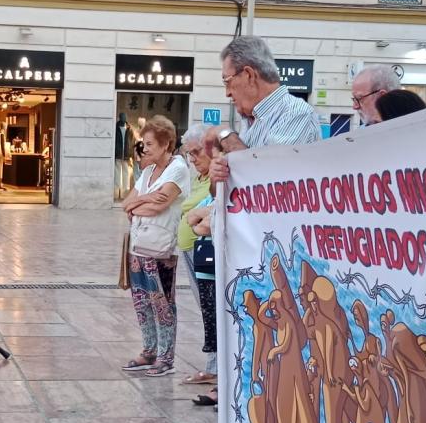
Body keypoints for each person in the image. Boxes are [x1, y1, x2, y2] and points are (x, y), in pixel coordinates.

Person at [120, 115, 192, 378]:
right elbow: (126, 203)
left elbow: (161, 203)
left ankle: (166, 356)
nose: (145, 148)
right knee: (142, 301)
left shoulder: (178, 168)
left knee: (163, 301)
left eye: (150, 143)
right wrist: (140, 202)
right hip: (139, 244)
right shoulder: (149, 171)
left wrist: (140, 204)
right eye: (144, 143)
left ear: (165, 144)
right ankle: (149, 349)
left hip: (162, 247)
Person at [209, 36, 323, 183]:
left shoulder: (296, 113)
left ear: (249, 75)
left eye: (227, 81)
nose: (227, 93)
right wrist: (217, 176)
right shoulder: (250, 119)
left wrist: (225, 134)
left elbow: (266, 182)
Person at [176, 124, 217, 386]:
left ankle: (215, 368)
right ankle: (213, 365)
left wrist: (193, 217)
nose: (192, 159)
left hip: (205, 252)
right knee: (206, 309)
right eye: (189, 154)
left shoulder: (217, 176)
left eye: (195, 153)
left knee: (211, 309)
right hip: (193, 251)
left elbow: (202, 218)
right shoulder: (201, 177)